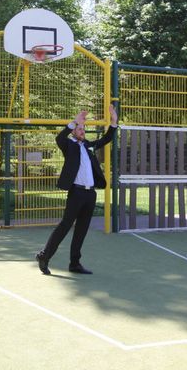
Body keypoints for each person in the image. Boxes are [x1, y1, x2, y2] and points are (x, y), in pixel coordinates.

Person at [35, 105, 118, 275]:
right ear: (73, 131)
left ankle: (75, 263)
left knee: (81, 230)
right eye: (79, 128)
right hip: (76, 193)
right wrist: (74, 122)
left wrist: (114, 122)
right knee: (65, 226)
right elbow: (59, 138)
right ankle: (44, 256)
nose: (82, 131)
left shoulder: (88, 145)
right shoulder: (68, 145)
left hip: (90, 194)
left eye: (83, 128)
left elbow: (105, 139)